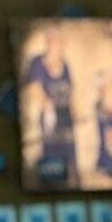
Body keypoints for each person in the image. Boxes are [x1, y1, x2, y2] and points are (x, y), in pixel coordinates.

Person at [23, 28, 78, 188]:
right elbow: (35, 88)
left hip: (66, 118)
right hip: (50, 117)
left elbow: (71, 91)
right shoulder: (37, 63)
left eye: (61, 43)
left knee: (70, 158)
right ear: (49, 43)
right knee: (52, 155)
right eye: (56, 42)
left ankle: (72, 185)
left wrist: (74, 109)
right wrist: (46, 104)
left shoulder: (65, 64)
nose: (59, 47)